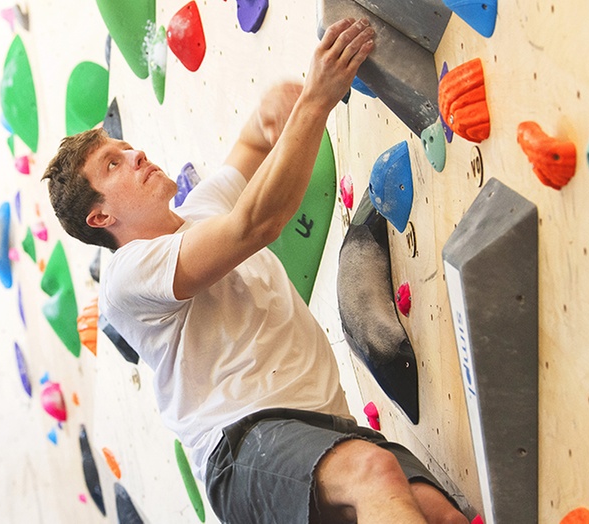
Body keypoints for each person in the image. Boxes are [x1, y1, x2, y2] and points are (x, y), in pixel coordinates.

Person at [44, 18, 468, 524]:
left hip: (324, 427)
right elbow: (254, 225)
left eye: (125, 148)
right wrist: (315, 101)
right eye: (113, 165)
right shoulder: (128, 277)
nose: (135, 154)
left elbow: (252, 144)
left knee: (439, 514)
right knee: (371, 473)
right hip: (240, 446)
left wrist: (277, 107)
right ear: (101, 218)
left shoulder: (203, 210)